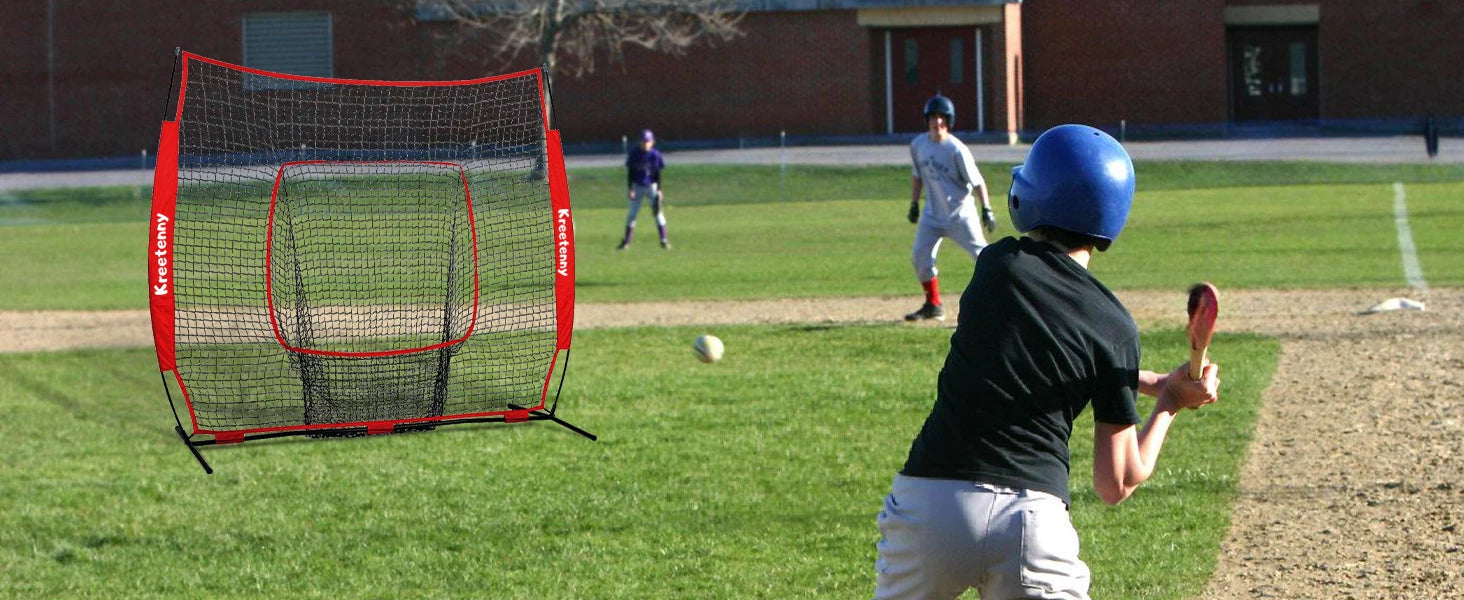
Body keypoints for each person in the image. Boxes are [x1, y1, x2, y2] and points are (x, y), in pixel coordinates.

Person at [872, 125, 1223, 600]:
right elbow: (1115, 482)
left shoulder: (998, 266)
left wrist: (1145, 383)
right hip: (1030, 520)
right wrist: (1168, 404)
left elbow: (1033, 349)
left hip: (932, 505)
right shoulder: (1114, 326)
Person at [904, 94, 997, 322]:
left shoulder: (957, 150)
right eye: (933, 118)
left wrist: (987, 209)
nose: (937, 123)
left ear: (949, 121)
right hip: (932, 215)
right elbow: (918, 176)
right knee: (919, 256)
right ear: (927, 121)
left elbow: (977, 182)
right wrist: (914, 203)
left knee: (983, 256)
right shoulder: (918, 145)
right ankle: (933, 304)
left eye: (942, 118)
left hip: (960, 215)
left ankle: (999, 301)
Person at [617, 128, 670, 250]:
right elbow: (630, 173)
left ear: (652, 142)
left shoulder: (655, 155)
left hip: (652, 186)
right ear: (639, 142)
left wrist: (659, 190)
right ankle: (627, 242)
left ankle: (664, 240)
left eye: (647, 141)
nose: (645, 143)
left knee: (658, 213)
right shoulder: (634, 153)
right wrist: (630, 189)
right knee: (632, 214)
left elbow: (657, 173)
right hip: (638, 186)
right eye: (643, 141)